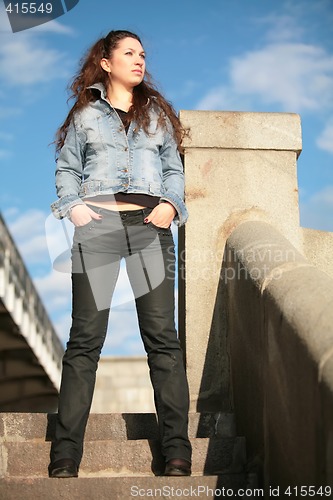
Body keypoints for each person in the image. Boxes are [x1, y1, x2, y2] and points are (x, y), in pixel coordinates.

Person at [48, 30, 192, 478]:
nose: (139, 60)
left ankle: (176, 450)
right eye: (129, 53)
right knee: (85, 339)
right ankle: (66, 453)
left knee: (162, 338)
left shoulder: (157, 116)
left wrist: (171, 205)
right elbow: (68, 168)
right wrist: (74, 210)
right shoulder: (86, 114)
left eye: (143, 54)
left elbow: (173, 168)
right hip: (99, 226)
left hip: (151, 227)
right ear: (106, 62)